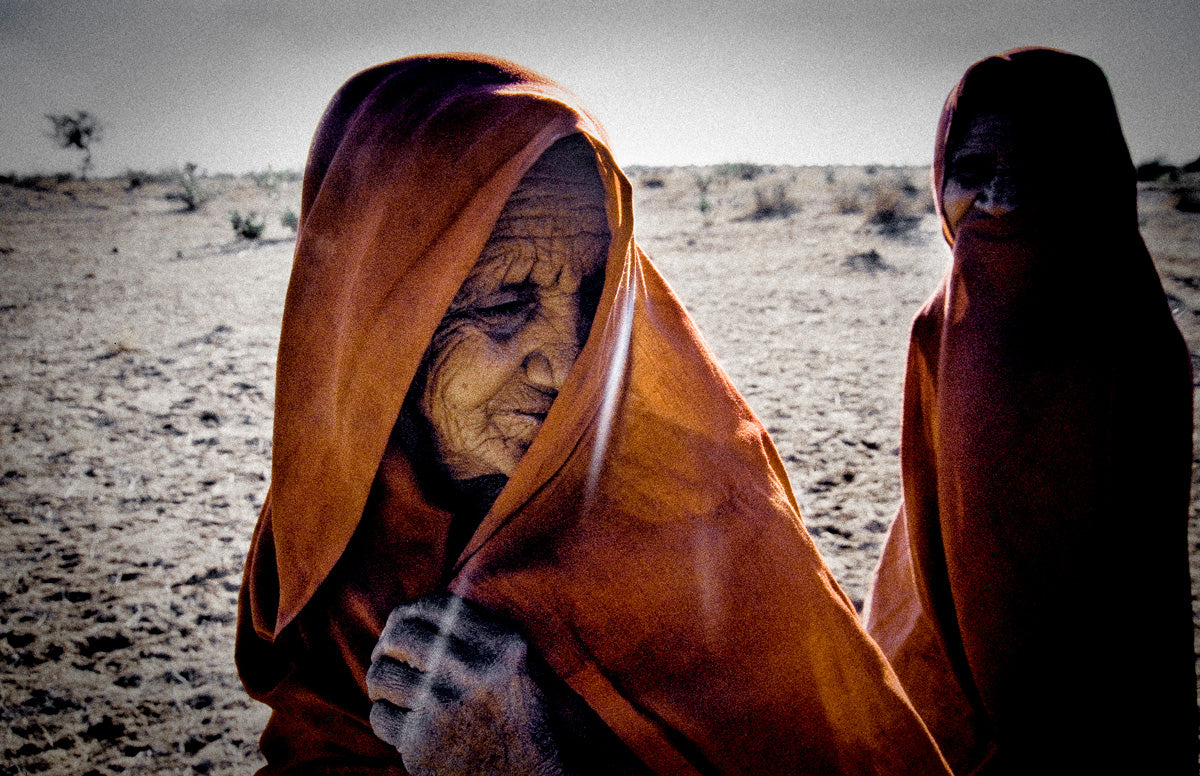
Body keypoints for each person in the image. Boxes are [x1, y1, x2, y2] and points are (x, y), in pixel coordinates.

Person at [236, 53, 952, 775]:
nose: (568, 361)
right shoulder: (328, 530)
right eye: (504, 302)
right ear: (374, 321)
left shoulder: (702, 520)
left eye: (595, 300)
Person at [863, 47, 1197, 775]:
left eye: (1038, 170)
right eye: (975, 171)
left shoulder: (1133, 341)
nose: (1003, 199)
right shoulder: (936, 330)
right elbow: (932, 521)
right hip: (942, 691)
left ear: (1094, 180)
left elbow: (1137, 589)